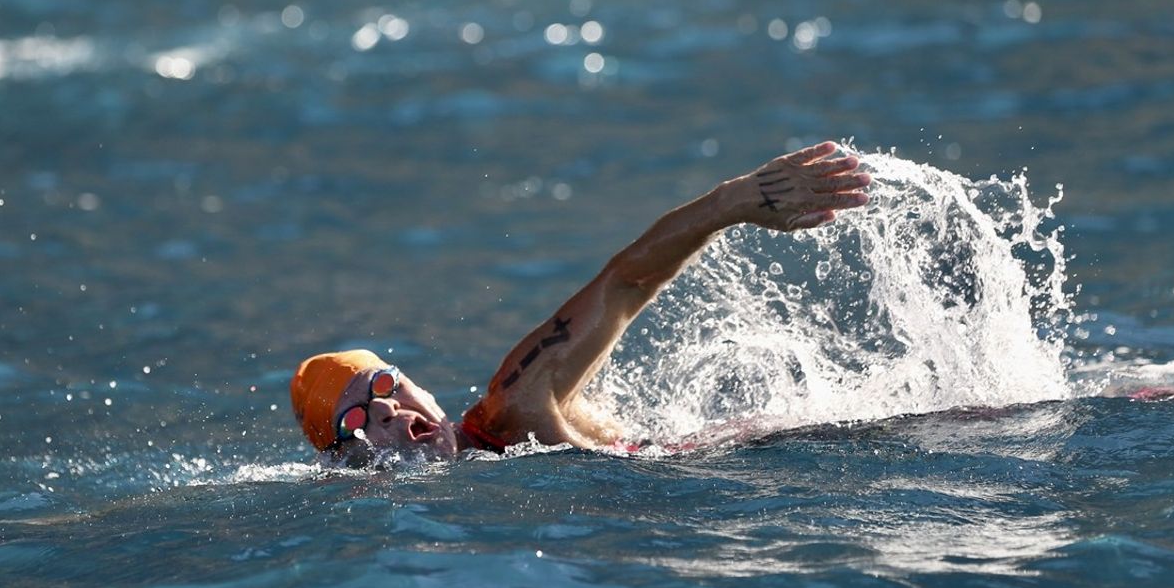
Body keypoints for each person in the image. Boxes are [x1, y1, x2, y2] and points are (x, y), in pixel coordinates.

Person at [290, 141, 871, 463]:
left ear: (422, 389)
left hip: (819, 449)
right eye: (357, 419)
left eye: (385, 387)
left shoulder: (514, 409)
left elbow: (624, 284)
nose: (388, 412)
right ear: (350, 464)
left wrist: (733, 201)